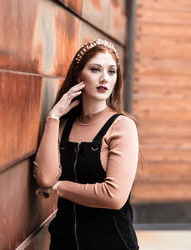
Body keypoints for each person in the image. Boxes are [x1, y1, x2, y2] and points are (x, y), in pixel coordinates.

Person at [33, 39, 139, 250]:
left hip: (112, 244)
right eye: (95, 69)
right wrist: (53, 117)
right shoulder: (62, 126)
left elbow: (114, 196)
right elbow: (45, 177)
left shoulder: (122, 127)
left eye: (111, 71)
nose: (104, 78)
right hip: (64, 242)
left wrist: (59, 187)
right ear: (79, 75)